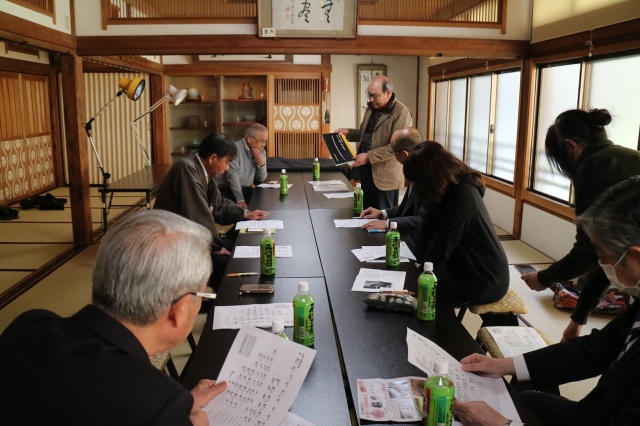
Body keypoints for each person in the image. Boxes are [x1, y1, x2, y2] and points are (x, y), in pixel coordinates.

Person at [0, 210, 227, 425]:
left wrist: (173, 405)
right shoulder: (159, 408)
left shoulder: (29, 325)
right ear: (179, 309)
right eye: (203, 293)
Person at [455, 176, 640, 426]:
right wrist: (503, 365)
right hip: (600, 410)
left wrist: (501, 425)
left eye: (605, 258)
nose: (603, 266)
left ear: (636, 256)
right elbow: (597, 350)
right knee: (530, 402)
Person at [520, 108, 640, 341]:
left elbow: (591, 252)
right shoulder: (628, 157)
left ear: (570, 146)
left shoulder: (593, 167)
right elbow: (607, 256)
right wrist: (579, 319)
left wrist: (544, 278)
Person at [154, 132, 269, 291]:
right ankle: (220, 305)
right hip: (174, 241)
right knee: (228, 262)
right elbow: (198, 215)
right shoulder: (186, 169)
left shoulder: (201, 170)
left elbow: (218, 203)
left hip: (190, 237)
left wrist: (244, 213)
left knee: (237, 247)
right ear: (213, 158)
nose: (227, 167)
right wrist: (215, 247)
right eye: (227, 162)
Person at [403, 142, 509, 312]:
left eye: (417, 181)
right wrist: (421, 262)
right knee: (414, 280)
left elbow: (444, 241)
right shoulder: (442, 189)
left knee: (423, 294)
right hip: (460, 266)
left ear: (429, 176)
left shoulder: (463, 195)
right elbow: (426, 228)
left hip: (483, 278)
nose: (415, 187)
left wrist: (425, 270)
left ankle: (441, 336)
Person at [335, 75, 413, 210]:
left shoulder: (402, 113)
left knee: (382, 216)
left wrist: (368, 156)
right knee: (365, 212)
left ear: (388, 93)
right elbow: (366, 134)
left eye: (375, 96)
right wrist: (349, 133)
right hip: (366, 171)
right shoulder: (371, 108)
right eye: (369, 95)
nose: (371, 99)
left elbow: (396, 146)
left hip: (385, 176)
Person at [360, 127, 422, 253]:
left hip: (421, 244)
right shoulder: (415, 168)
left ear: (404, 154)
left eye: (393, 152)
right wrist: (382, 213)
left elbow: (422, 219)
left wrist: (388, 223)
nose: (393, 156)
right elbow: (407, 207)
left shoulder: (425, 175)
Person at [216, 123, 268, 208]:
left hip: (246, 189)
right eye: (261, 141)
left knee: (263, 205)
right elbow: (232, 177)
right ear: (250, 139)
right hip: (228, 189)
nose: (263, 145)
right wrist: (240, 200)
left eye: (265, 141)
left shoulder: (261, 152)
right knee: (240, 212)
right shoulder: (234, 149)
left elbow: (259, 180)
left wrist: (261, 164)